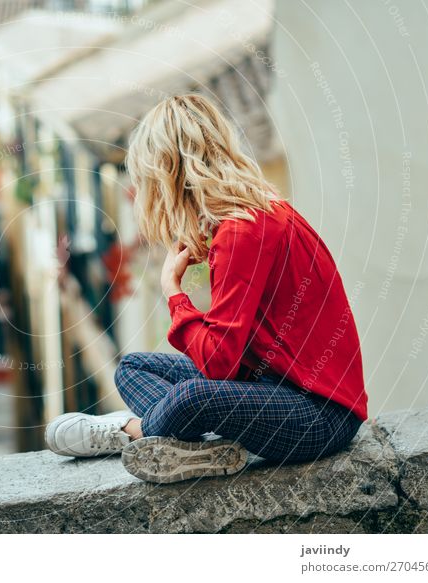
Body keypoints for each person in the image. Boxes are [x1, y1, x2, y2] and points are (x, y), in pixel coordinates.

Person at [44, 93, 368, 484]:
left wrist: (173, 292)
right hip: (269, 387)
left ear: (169, 173)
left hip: (319, 417)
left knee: (194, 397)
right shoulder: (256, 214)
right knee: (133, 367)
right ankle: (195, 449)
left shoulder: (241, 231)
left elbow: (219, 365)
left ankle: (132, 432)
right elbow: (229, 356)